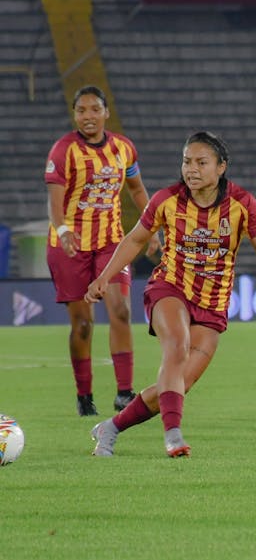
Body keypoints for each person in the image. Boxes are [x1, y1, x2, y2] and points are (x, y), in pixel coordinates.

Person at [85, 130, 256, 458]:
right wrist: (105, 276)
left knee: (176, 386)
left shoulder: (243, 203)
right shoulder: (166, 199)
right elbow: (135, 240)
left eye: (201, 162)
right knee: (176, 345)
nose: (191, 169)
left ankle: (111, 427)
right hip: (170, 287)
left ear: (221, 167)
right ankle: (173, 435)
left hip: (214, 303)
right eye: (187, 161)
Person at [44, 85, 159, 416]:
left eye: (95, 109)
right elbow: (54, 204)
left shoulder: (124, 149)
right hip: (70, 247)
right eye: (81, 111)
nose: (88, 116)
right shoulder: (62, 152)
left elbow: (137, 189)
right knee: (82, 325)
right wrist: (64, 230)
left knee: (121, 310)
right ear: (75, 115)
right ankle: (84, 396)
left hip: (111, 243)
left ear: (106, 113)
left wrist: (152, 226)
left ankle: (124, 392)